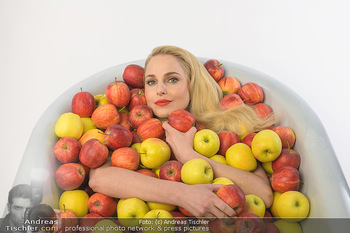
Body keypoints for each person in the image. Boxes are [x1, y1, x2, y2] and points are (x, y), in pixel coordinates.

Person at [89, 45, 275, 218]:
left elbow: (264, 195)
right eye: (152, 82)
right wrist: (182, 195)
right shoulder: (126, 132)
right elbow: (99, 178)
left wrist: (190, 156)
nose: (160, 90)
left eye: (172, 79)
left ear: (191, 84)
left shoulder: (225, 129)